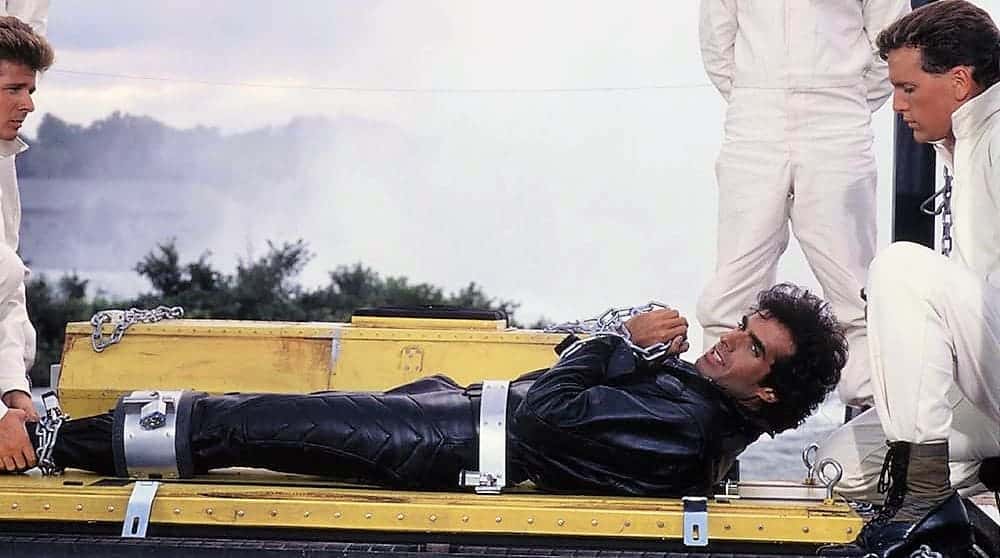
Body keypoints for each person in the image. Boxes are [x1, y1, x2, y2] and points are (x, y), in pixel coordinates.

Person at [27, 284, 845, 497]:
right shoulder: (699, 410)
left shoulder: (687, 427)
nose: (726, 341)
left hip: (449, 441)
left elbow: (553, 412)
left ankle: (50, 442)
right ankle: (61, 435)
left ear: (770, 394)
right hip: (457, 420)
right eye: (740, 326)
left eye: (752, 348)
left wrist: (617, 341)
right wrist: (622, 353)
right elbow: (572, 410)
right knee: (245, 420)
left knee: (237, 424)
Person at [815, 2, 1000, 556]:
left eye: (908, 88)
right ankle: (963, 503)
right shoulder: (962, 146)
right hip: (985, 372)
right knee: (840, 467)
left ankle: (926, 498)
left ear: (960, 82)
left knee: (900, 268)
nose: (897, 105)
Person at [696, 0, 908, 410]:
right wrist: (756, 94)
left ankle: (876, 413)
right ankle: (709, 417)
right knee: (734, 280)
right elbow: (716, 42)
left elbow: (891, 40)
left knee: (853, 283)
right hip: (755, 117)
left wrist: (841, 95)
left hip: (837, 118)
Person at [0, 13, 52, 473]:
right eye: (14, 89)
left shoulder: (2, 162)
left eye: (30, 90)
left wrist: (14, 389)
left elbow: (6, 296)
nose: (28, 105)